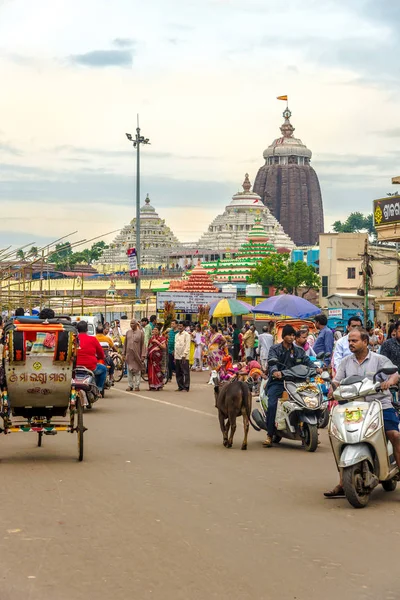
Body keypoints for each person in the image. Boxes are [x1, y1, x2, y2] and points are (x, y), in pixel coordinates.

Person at [324, 327, 400, 498]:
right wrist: (331, 389)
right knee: (338, 437)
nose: (351, 343)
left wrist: (389, 382)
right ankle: (343, 482)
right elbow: (337, 381)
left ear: (365, 342)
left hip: (379, 404)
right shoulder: (345, 362)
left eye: (354, 340)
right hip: (352, 407)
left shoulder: (379, 359)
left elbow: (395, 374)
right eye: (349, 341)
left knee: (394, 435)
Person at [263, 324, 321, 448]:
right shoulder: (275, 349)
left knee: (311, 400)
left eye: (293, 335)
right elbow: (272, 361)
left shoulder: (298, 350)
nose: (291, 337)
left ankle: (310, 430)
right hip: (279, 382)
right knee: (272, 404)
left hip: (296, 382)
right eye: (289, 335)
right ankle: (269, 434)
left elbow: (307, 361)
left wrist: (316, 368)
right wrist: (275, 371)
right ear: (284, 336)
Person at [76, 320, 107, 392]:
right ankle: (98, 389)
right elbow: (101, 354)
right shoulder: (93, 339)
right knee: (104, 369)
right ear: (87, 329)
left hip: (75, 367)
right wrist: (101, 357)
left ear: (77, 329)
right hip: (91, 368)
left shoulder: (73, 339)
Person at [122, 319, 145, 392]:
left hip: (137, 354)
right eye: (130, 323)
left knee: (137, 371)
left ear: (136, 324)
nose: (131, 325)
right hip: (129, 355)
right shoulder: (128, 332)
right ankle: (130, 385)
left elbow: (143, 344)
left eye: (133, 323)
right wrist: (123, 353)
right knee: (129, 370)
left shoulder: (141, 333)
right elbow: (125, 344)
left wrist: (143, 355)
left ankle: (137, 386)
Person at [147, 326, 167, 391]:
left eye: (156, 330)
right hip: (151, 358)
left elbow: (164, 347)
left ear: (159, 331)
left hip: (158, 358)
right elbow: (149, 347)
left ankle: (159, 384)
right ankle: (152, 385)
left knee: (158, 370)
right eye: (153, 330)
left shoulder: (162, 338)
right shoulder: (151, 338)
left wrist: (157, 342)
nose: (154, 331)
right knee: (151, 370)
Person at [174, 322, 191, 392]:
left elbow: (187, 345)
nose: (179, 327)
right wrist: (175, 355)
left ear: (184, 327)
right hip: (177, 356)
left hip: (184, 356)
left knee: (185, 372)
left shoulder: (187, 335)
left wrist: (184, 354)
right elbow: (176, 346)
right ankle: (180, 386)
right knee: (178, 372)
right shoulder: (176, 335)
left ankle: (186, 387)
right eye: (179, 326)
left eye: (181, 326)